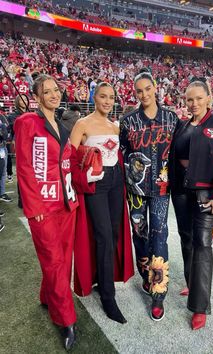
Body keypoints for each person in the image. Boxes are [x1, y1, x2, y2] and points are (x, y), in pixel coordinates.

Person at [14, 74, 79, 350]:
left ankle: (47, 296)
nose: (54, 95)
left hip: (66, 204)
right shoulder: (27, 122)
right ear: (37, 96)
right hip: (43, 206)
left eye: (56, 90)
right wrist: (34, 206)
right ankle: (67, 320)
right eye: (47, 91)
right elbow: (25, 168)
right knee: (53, 261)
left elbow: (67, 159)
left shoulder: (63, 122)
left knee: (63, 259)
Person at [169, 79, 213, 330]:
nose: (194, 103)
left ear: (209, 97)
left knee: (203, 244)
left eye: (198, 98)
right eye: (189, 99)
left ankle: (200, 306)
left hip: (207, 195)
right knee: (186, 238)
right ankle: (191, 283)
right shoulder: (183, 125)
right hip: (181, 192)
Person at [70, 82, 134, 324]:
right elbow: (69, 159)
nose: (108, 101)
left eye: (111, 97)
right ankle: (108, 296)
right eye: (103, 97)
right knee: (104, 236)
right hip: (97, 183)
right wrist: (83, 177)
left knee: (114, 235)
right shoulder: (82, 124)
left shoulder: (115, 126)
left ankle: (101, 279)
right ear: (94, 97)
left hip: (116, 181)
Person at [119, 71, 178, 321]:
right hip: (137, 192)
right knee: (140, 236)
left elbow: (179, 152)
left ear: (155, 88)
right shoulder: (128, 121)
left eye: (147, 89)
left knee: (160, 237)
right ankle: (145, 277)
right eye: (139, 91)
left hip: (162, 190)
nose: (144, 94)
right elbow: (121, 152)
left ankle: (158, 291)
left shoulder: (172, 119)